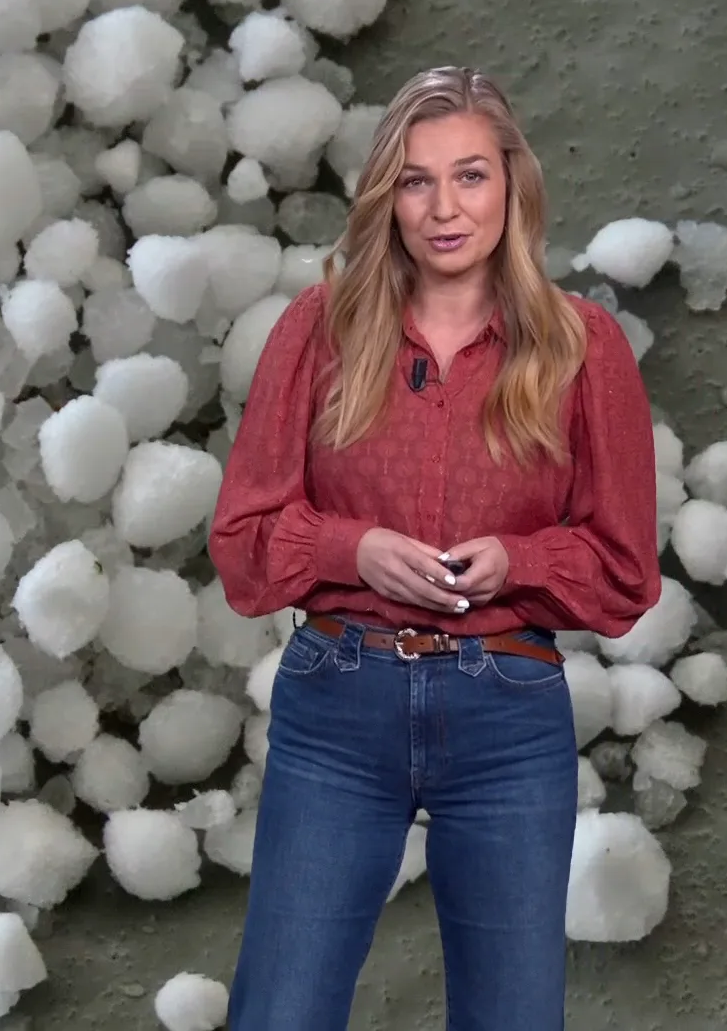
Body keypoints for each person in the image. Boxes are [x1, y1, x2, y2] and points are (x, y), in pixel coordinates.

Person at [206, 66, 663, 1031]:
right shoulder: (319, 330)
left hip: (507, 717)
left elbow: (626, 574)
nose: (445, 208)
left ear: (513, 185)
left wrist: (523, 561)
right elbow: (243, 547)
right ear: (387, 197)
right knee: (279, 1014)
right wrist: (351, 546)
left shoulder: (584, 350)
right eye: (416, 181)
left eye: (470, 176)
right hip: (339, 704)